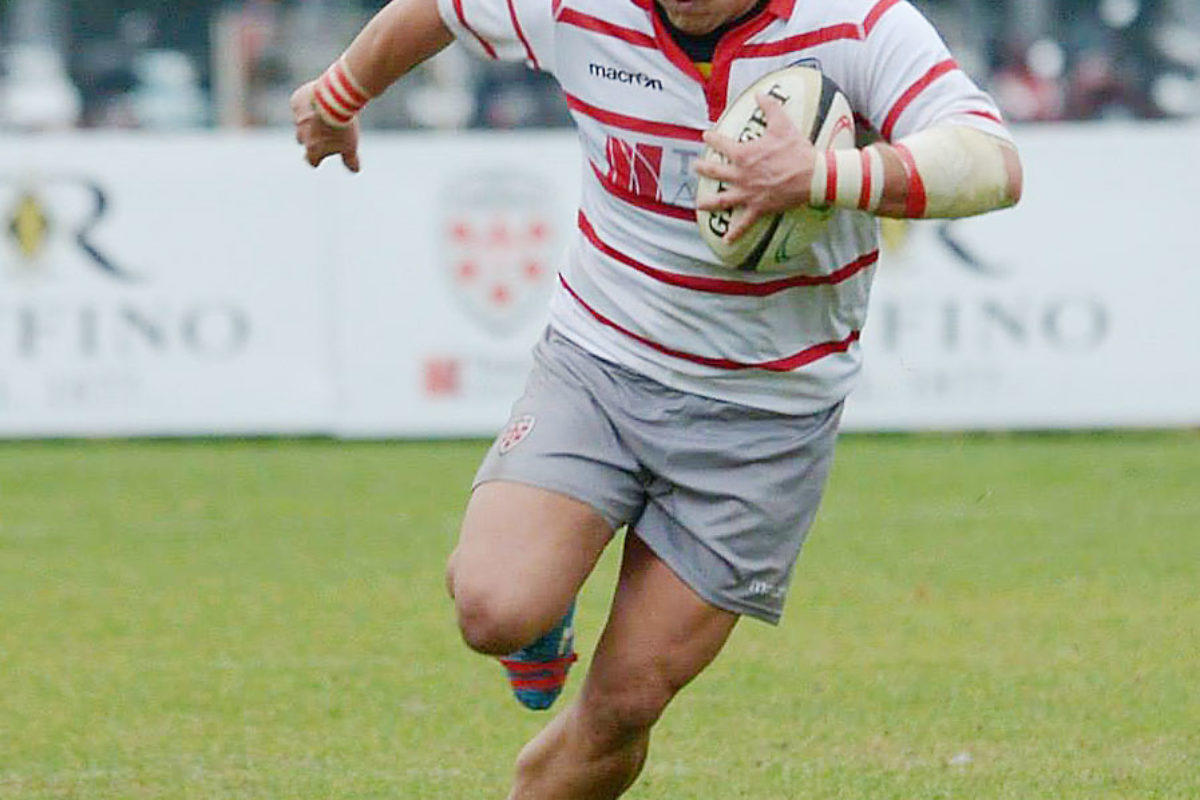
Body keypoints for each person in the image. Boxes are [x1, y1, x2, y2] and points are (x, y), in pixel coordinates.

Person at [291, 0, 1023, 797]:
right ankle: (542, 619)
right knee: (494, 609)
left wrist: (821, 176)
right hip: (601, 363)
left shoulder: (854, 21)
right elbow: (438, 9)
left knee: (626, 703)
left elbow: (994, 162)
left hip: (766, 418)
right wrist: (337, 98)